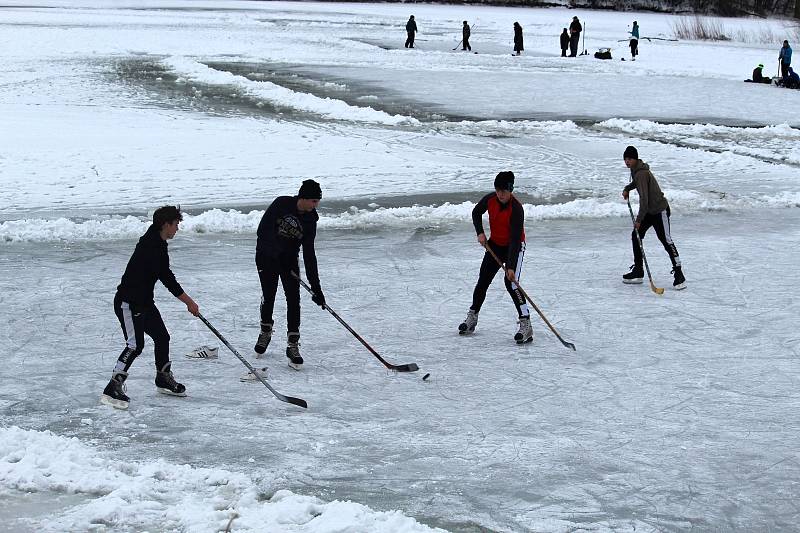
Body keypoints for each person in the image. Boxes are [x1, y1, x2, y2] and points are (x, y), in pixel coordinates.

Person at [100, 206, 199, 410]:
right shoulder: (151, 247)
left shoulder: (158, 241)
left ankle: (163, 378)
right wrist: (189, 302)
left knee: (162, 337)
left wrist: (188, 301)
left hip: (145, 302)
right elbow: (167, 279)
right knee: (135, 345)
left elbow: (165, 275)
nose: (177, 229)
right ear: (166, 224)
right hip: (128, 303)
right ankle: (113, 386)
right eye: (176, 224)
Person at [254, 180, 325, 370]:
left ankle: (293, 344)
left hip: (289, 262)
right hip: (266, 257)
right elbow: (263, 232)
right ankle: (265, 332)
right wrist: (277, 255)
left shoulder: (310, 221)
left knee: (293, 299)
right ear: (302, 198)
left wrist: (316, 288)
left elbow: (309, 255)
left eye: (317, 201)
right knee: (269, 295)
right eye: (313, 201)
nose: (315, 205)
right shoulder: (281, 204)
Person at [458, 171, 532, 344]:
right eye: (497, 190)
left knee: (511, 284)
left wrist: (511, 267)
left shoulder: (517, 209)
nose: (500, 194)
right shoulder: (490, 199)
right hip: (495, 245)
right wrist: (480, 233)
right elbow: (476, 213)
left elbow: (514, 240)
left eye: (503, 191)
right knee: (483, 280)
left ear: (510, 190)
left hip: (515, 248)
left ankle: (526, 323)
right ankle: (472, 317)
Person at [621, 146, 685, 290]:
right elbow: (637, 184)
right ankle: (638, 270)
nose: (627, 162)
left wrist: (638, 220)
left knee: (666, 240)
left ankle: (679, 273)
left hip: (659, 210)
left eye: (629, 159)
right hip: (649, 211)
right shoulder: (636, 170)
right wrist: (627, 188)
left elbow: (644, 200)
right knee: (636, 236)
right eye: (625, 159)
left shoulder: (641, 173)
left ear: (635, 158)